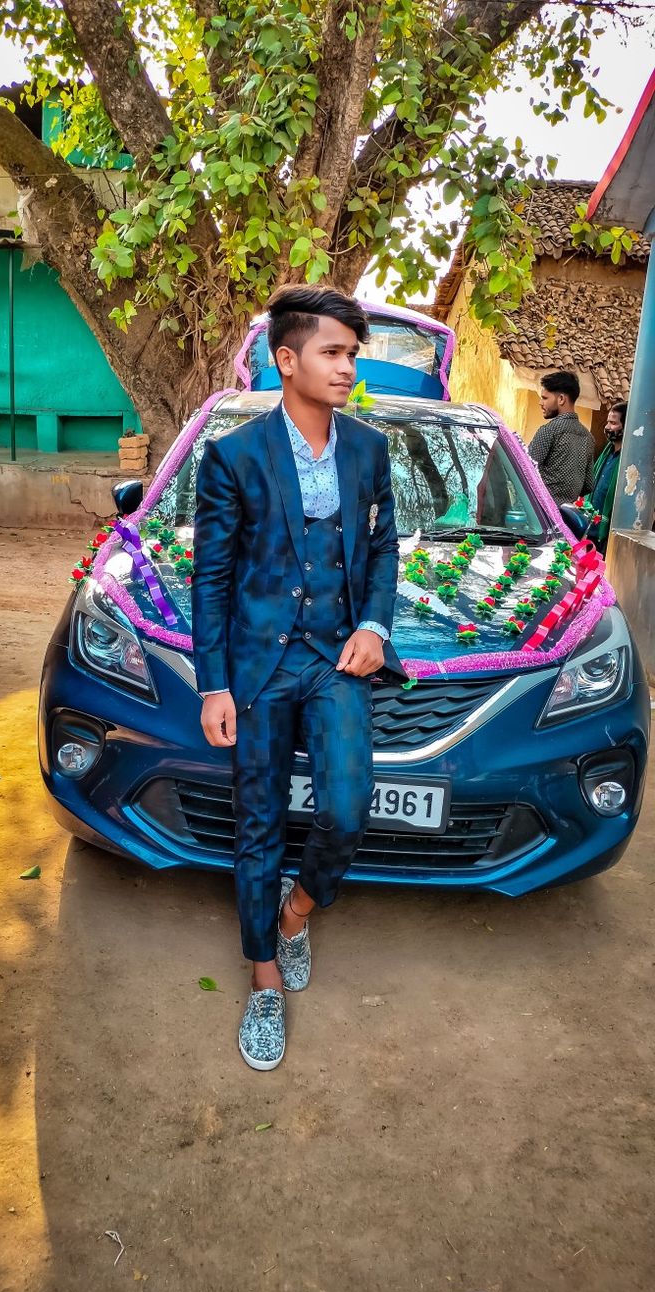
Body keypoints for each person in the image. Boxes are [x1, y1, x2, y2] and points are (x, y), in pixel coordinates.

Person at [191, 286, 403, 1071]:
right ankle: (264, 980)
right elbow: (210, 578)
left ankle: (297, 912)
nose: (348, 366)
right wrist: (215, 683)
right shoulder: (234, 456)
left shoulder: (368, 450)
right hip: (257, 667)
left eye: (353, 353)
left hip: (336, 659)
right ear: (287, 360)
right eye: (333, 352)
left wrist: (375, 626)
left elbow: (384, 548)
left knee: (348, 806)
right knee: (259, 823)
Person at [528, 370, 595, 505]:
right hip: (567, 517)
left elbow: (526, 470)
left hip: (543, 512)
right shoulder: (588, 437)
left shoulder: (549, 430)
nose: (541, 403)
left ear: (561, 399)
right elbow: (588, 485)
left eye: (545, 398)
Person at [590, 400, 626, 554]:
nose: (607, 427)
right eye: (607, 422)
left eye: (613, 423)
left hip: (606, 536)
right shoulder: (607, 454)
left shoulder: (627, 462)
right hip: (590, 528)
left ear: (626, 426)